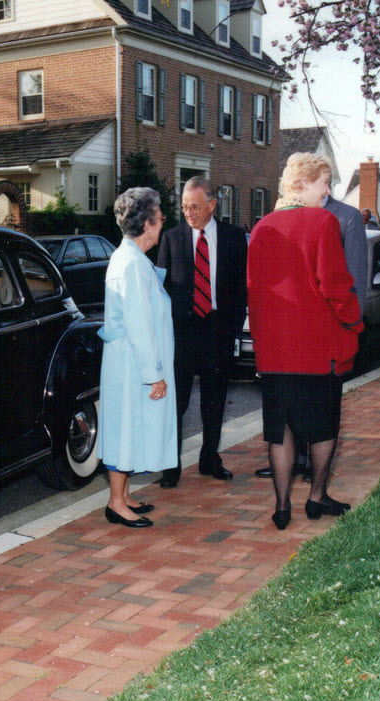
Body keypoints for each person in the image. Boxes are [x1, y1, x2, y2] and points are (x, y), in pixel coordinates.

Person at [247, 152, 364, 530]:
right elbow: (334, 284)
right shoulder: (322, 221)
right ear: (302, 183)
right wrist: (354, 322)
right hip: (317, 349)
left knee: (281, 432)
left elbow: (254, 293)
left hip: (275, 351)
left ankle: (282, 507)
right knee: (324, 427)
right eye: (324, 183)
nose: (328, 191)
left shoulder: (262, 227)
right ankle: (316, 498)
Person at [156, 177, 247, 488]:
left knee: (214, 400)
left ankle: (210, 458)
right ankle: (171, 466)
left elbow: (240, 288)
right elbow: (161, 291)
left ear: (212, 205)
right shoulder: (171, 238)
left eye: (195, 207)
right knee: (177, 403)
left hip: (218, 330)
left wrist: (233, 326)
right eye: (183, 207)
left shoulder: (234, 238)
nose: (188, 213)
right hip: (182, 333)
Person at [97, 188, 177, 528]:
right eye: (159, 218)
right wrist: (154, 373)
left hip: (130, 362)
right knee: (124, 429)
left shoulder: (133, 259)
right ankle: (116, 502)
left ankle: (123, 495)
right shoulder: (130, 263)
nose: (162, 224)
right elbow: (140, 325)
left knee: (129, 427)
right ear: (147, 223)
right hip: (131, 364)